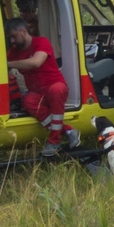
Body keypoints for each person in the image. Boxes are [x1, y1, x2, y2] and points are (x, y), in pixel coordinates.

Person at [6, 18, 80, 156]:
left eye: (14, 36)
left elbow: (36, 62)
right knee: (27, 101)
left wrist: (9, 64)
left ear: (23, 31)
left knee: (56, 90)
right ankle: (68, 131)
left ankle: (54, 141)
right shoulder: (14, 52)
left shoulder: (42, 42)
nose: (12, 41)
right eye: (10, 38)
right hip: (37, 93)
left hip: (55, 87)